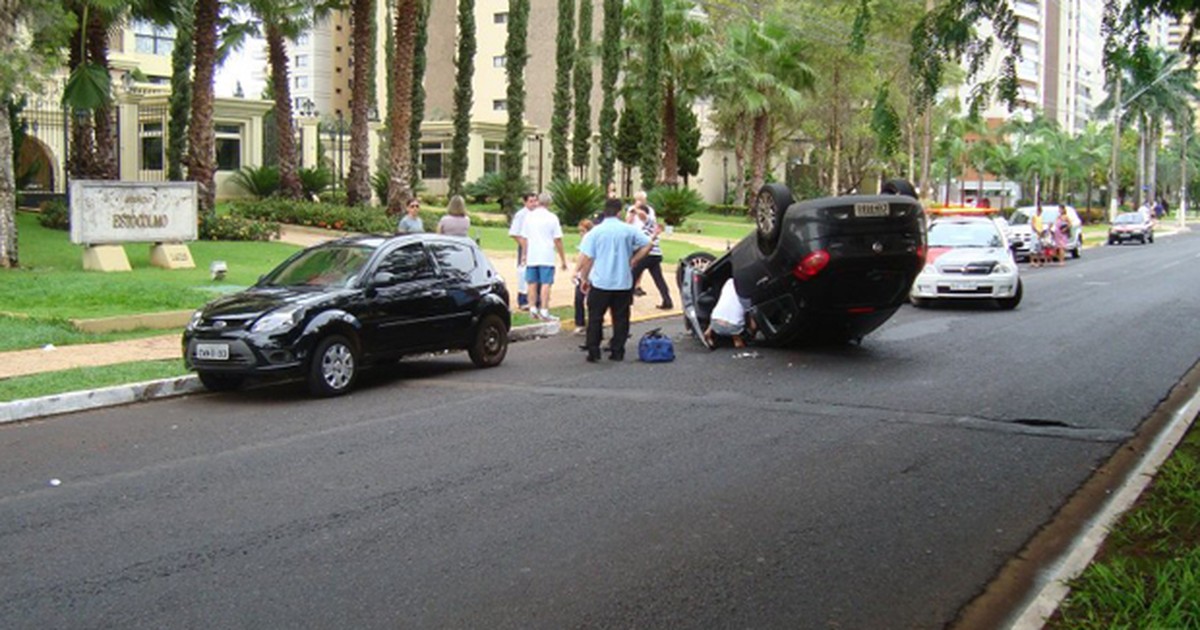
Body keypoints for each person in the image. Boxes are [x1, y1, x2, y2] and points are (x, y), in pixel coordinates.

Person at [577, 198, 652, 362]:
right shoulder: (628, 230)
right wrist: (635, 259)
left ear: (605, 211)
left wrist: (584, 278)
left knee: (595, 317)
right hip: (622, 281)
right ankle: (617, 350)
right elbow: (648, 244)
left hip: (600, 282)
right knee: (621, 318)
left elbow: (588, 258)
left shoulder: (595, 232)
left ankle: (593, 350)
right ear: (619, 212)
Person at [520, 192, 568, 320]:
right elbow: (557, 239)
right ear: (549, 203)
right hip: (546, 255)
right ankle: (544, 309)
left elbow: (524, 238)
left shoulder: (529, 217)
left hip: (532, 255)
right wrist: (563, 258)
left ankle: (532, 308)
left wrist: (524, 254)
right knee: (546, 283)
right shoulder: (552, 218)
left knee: (532, 282)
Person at [629, 206, 673, 309]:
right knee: (659, 279)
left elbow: (643, 215)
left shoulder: (649, 221)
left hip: (647, 254)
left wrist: (635, 210)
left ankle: (627, 300)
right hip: (655, 255)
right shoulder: (647, 226)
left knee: (632, 277)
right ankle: (667, 301)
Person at [704, 278, 753, 348]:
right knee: (742, 318)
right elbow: (750, 312)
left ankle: (708, 331)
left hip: (715, 323)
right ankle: (737, 340)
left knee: (720, 311)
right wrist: (751, 331)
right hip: (733, 327)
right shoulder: (747, 290)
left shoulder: (729, 282)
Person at [509, 193, 538, 311]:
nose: (534, 204)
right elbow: (514, 233)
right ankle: (523, 300)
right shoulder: (521, 215)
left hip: (536, 247)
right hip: (525, 247)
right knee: (523, 273)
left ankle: (535, 299)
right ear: (525, 202)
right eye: (531, 201)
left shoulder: (537, 214)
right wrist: (524, 246)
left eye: (535, 201)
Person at [572, 219, 594, 335]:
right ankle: (581, 323)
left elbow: (584, 257)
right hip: (586, 274)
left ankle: (582, 324)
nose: (581, 234)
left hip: (589, 275)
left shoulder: (588, 239)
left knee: (583, 299)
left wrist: (577, 271)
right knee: (580, 299)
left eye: (582, 231)